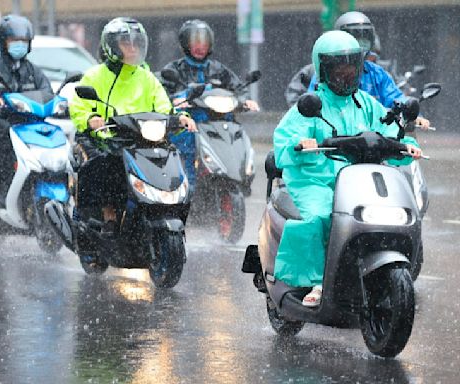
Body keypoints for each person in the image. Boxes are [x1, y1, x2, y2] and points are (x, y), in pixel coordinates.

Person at [273, 31, 421, 307]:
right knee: (320, 216)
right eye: (338, 67)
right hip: (314, 178)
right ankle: (313, 281)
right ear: (323, 69)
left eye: (351, 65)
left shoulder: (365, 102)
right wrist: (300, 144)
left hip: (356, 179)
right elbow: (285, 140)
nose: (346, 73)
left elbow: (389, 130)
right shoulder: (311, 104)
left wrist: (406, 146)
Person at [70, 17, 196, 238]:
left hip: (142, 140)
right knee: (106, 165)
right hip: (106, 138)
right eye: (126, 43)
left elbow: (164, 107)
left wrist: (180, 118)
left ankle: (167, 208)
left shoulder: (146, 78)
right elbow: (79, 105)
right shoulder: (95, 75)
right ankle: (108, 214)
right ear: (111, 46)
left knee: (171, 160)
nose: (132, 48)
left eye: (136, 43)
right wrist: (91, 118)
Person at [160, 19, 259, 188]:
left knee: (236, 134)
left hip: (218, 121)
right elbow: (162, 94)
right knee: (187, 141)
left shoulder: (218, 69)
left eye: (204, 42)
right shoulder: (175, 69)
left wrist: (244, 100)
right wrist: (178, 99)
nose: (200, 46)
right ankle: (187, 186)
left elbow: (237, 87)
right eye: (195, 42)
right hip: (190, 123)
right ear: (185, 44)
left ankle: (239, 176)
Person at [0, 14, 53, 206]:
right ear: (2, 42)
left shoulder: (34, 72)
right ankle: (1, 190)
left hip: (27, 126)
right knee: (4, 139)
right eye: (14, 40)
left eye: (23, 41)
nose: (19, 45)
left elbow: (47, 93)